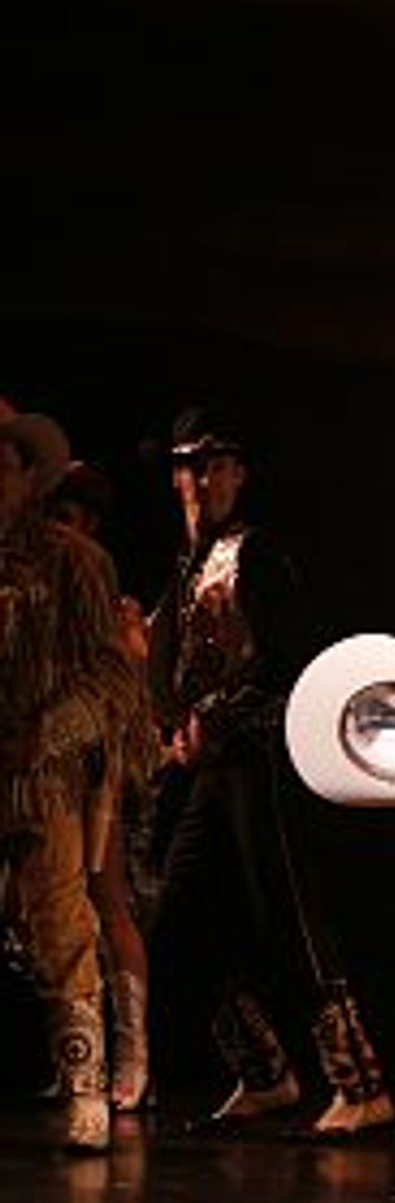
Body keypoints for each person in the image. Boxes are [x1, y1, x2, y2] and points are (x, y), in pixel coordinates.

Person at [143, 405, 395, 1137]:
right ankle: (265, 1074)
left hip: (263, 756)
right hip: (214, 765)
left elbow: (289, 658)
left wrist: (216, 717)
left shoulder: (253, 555)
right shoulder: (185, 567)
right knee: (175, 916)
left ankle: (362, 1085)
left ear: (238, 476)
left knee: (288, 910)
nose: (203, 481)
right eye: (191, 468)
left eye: (217, 467)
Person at [0, 403, 139, 1151]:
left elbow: (110, 677)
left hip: (43, 774)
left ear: (29, 476)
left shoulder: (73, 562)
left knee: (60, 920)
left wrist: (44, 733)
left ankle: (87, 1087)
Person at [47, 459, 160, 1113]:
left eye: (69, 517)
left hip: (101, 766)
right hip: (51, 768)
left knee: (108, 899)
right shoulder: (41, 586)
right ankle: (78, 1058)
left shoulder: (104, 593)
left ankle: (134, 1058)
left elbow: (124, 692)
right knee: (59, 913)